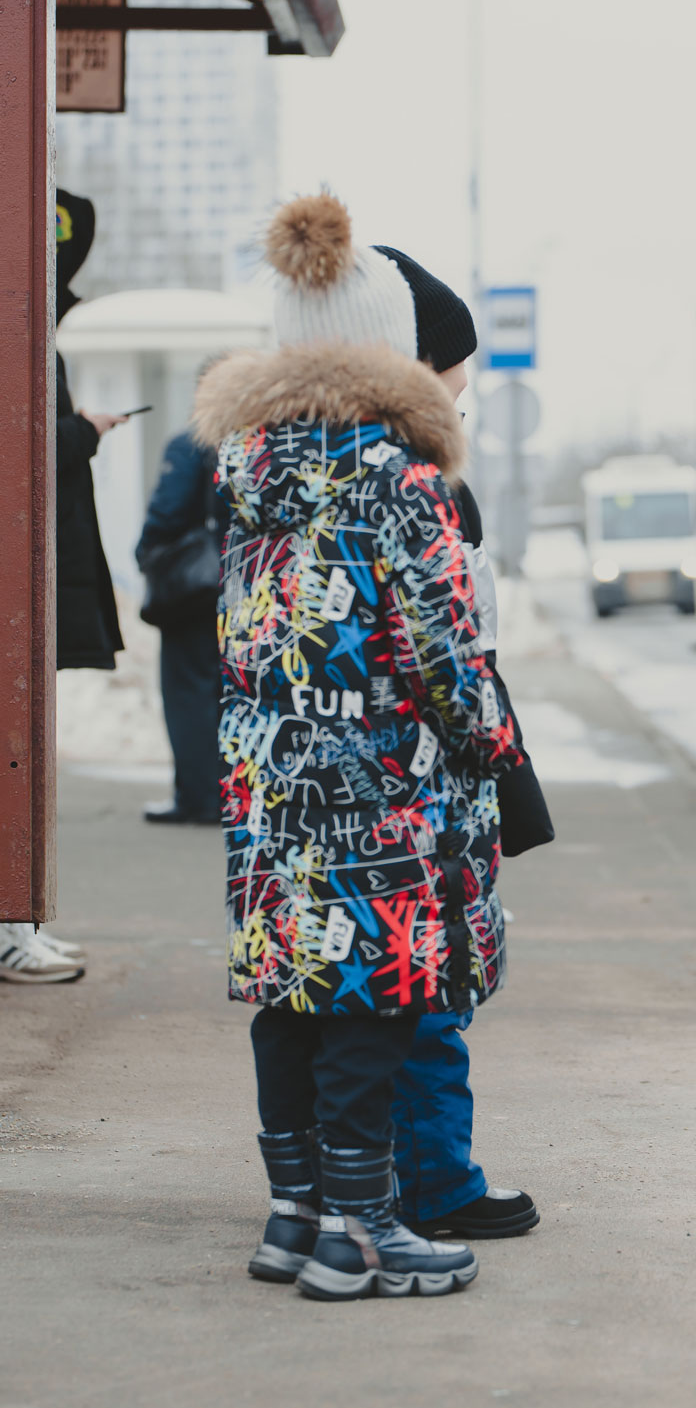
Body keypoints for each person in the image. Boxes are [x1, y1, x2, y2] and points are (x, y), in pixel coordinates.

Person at [193, 193, 527, 1302]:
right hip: (384, 796)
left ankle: (296, 1214)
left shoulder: (245, 475)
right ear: (394, 353)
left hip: (271, 790)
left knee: (294, 990)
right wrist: (490, 742)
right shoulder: (398, 481)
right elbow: (444, 658)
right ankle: (364, 1227)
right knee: (375, 999)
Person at [375, 245, 555, 1241]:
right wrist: (490, 749)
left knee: (394, 1003)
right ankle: (435, 1180)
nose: (461, 398)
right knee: (427, 999)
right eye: (451, 378)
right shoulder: (422, 494)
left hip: (405, 794)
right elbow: (456, 662)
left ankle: (353, 1181)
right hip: (421, 795)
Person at [0, 189, 120, 985]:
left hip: (44, 566)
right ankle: (13, 927)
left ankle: (19, 921)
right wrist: (86, 431)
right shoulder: (24, 327)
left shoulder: (35, 323)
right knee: (18, 751)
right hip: (30, 572)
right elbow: (29, 440)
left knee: (26, 750)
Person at [135, 429, 222, 825]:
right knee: (228, 692)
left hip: (195, 588)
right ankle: (230, 794)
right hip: (250, 589)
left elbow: (167, 509)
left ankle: (200, 798)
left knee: (188, 691)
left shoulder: (193, 442)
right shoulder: (268, 440)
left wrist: (147, 551)